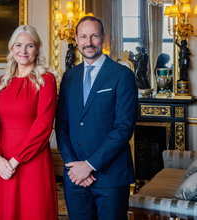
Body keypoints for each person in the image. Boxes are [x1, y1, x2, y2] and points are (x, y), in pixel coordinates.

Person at [55, 16, 137, 220]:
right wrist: (73, 165)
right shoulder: (69, 77)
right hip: (75, 177)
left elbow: (124, 127)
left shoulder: (121, 75)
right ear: (76, 39)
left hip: (111, 177)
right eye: (83, 36)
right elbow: (62, 125)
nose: (88, 42)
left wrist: (89, 165)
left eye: (94, 36)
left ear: (103, 38)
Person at [0, 25, 58, 220]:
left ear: (37, 49)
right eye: (18, 45)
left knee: (34, 212)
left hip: (32, 162)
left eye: (30, 46)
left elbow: (43, 127)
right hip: (5, 165)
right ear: (11, 48)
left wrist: (15, 160)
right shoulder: (2, 82)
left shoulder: (46, 80)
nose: (23, 51)